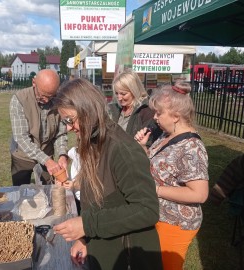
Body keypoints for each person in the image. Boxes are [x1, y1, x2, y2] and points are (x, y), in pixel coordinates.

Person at [53, 79, 163, 270]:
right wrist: (86, 239)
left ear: (88, 110)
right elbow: (94, 199)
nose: (69, 128)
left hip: (128, 258)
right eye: (65, 122)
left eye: (70, 120)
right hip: (104, 250)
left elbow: (148, 209)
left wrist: (88, 225)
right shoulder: (91, 142)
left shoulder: (122, 149)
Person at [134, 82, 209, 270]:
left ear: (176, 116)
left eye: (159, 113)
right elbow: (156, 166)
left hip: (176, 223)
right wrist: (144, 146)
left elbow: (199, 194)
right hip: (160, 216)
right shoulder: (166, 135)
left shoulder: (192, 147)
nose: (155, 118)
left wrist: (156, 190)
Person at [9, 69, 68, 186]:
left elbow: (61, 133)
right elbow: (22, 138)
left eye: (51, 96)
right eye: (43, 95)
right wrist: (46, 161)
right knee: (21, 194)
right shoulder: (19, 100)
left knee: (49, 194)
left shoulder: (59, 100)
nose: (47, 100)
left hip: (47, 153)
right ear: (34, 82)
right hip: (22, 156)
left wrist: (62, 155)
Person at [108, 70, 162, 147]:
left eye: (123, 94)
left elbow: (148, 143)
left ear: (134, 91)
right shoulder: (113, 109)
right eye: (117, 93)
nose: (119, 98)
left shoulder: (146, 111)